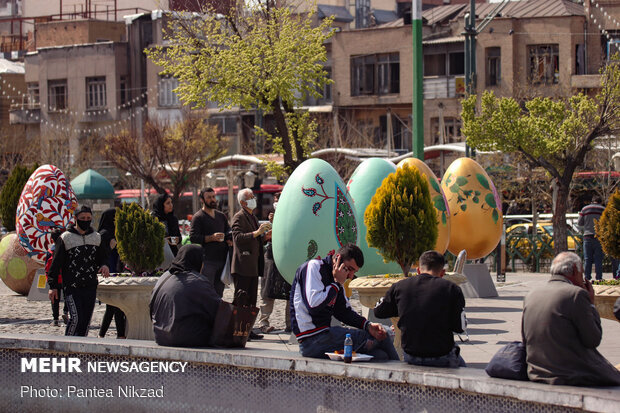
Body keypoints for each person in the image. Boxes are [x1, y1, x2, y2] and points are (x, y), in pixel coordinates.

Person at [521, 252, 620, 386]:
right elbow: (593, 339)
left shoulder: (531, 294)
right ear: (574, 270)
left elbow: (525, 338)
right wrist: (591, 303)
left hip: (536, 372)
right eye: (582, 273)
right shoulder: (576, 295)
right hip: (569, 374)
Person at [291, 243, 399, 361]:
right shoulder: (314, 267)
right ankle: (402, 373)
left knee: (380, 356)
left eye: (354, 271)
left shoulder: (338, 279)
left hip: (325, 337)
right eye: (350, 269)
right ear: (338, 259)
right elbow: (314, 305)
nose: (351, 275)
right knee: (386, 333)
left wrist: (367, 325)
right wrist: (337, 283)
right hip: (312, 339)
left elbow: (343, 312)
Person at [374, 250, 466, 368]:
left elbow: (378, 311)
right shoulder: (452, 289)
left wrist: (404, 308)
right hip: (442, 355)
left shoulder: (400, 286)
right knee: (464, 369)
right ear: (442, 273)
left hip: (411, 355)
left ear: (418, 270)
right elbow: (460, 327)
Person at [47, 205, 110, 336]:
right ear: (75, 218)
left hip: (90, 285)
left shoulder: (96, 237)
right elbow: (56, 263)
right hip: (72, 286)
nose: (85, 220)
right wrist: (53, 286)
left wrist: (104, 265)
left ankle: (82, 348)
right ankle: (68, 346)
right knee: (75, 319)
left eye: (88, 218)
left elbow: (102, 257)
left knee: (86, 321)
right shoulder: (65, 238)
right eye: (82, 218)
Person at [150, 244, 221, 347]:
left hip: (161, 336)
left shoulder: (164, 277)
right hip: (188, 338)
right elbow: (218, 309)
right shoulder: (198, 281)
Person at [231, 188, 271, 340]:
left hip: (253, 266)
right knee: (242, 299)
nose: (254, 199)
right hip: (243, 265)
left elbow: (256, 239)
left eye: (253, 196)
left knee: (251, 300)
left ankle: (248, 328)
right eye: (250, 197)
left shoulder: (252, 217)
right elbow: (238, 237)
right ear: (242, 202)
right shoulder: (239, 217)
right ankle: (237, 328)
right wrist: (256, 233)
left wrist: (265, 236)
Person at [189, 188, 232, 297]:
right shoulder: (198, 217)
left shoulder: (221, 216)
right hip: (207, 261)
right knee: (206, 292)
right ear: (202, 200)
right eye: (209, 197)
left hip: (222, 260)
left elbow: (228, 231)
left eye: (213, 196)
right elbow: (193, 237)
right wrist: (211, 238)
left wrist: (229, 239)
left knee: (219, 293)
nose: (213, 199)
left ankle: (216, 313)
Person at [258, 192, 291, 333]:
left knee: (290, 292)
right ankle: (263, 322)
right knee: (267, 291)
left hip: (287, 256)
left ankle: (291, 324)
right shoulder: (270, 217)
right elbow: (263, 238)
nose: (277, 202)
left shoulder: (290, 214)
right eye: (276, 200)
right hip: (271, 256)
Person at [97, 208, 126, 339]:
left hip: (117, 272)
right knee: (115, 306)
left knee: (113, 307)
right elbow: (100, 255)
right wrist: (111, 247)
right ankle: (120, 335)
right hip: (109, 273)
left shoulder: (117, 233)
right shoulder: (103, 235)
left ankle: (103, 335)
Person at [577, 195, 606, 280]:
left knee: (587, 259)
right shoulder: (603, 209)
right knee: (598, 259)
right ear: (600, 202)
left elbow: (579, 223)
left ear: (592, 201)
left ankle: (587, 278)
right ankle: (599, 278)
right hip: (599, 237)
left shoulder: (585, 209)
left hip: (587, 236)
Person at [44, 228, 68, 327]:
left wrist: (49, 280)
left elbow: (47, 267)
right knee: (68, 296)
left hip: (54, 279)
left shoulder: (50, 251)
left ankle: (55, 319)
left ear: (51, 239)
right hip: (65, 277)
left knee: (55, 299)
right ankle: (66, 312)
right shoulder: (65, 249)